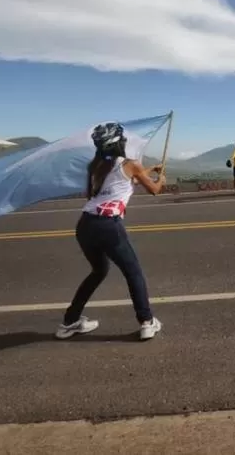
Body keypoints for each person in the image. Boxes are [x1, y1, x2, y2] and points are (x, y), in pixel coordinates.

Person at [56, 122, 165, 342]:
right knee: (133, 272)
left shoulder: (94, 165)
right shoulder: (130, 164)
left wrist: (150, 170)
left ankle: (69, 322)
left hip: (85, 225)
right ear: (119, 143)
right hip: (108, 226)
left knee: (98, 271)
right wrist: (160, 178)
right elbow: (154, 189)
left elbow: (116, 181)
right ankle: (146, 321)